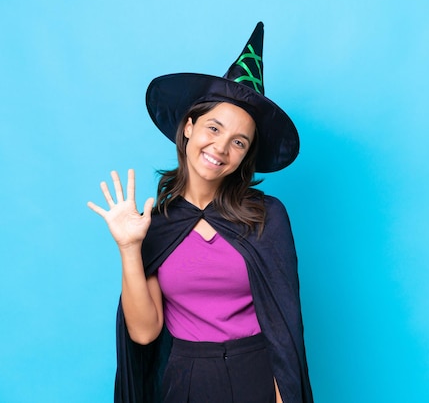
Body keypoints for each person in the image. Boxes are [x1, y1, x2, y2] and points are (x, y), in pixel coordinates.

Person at [88, 22, 314, 403]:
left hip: (256, 373)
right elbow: (144, 333)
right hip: (187, 379)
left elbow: (283, 329)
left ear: (246, 156)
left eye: (238, 142)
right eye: (213, 127)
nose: (220, 148)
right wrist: (129, 248)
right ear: (189, 127)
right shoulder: (156, 224)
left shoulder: (267, 217)